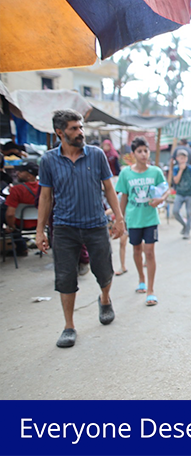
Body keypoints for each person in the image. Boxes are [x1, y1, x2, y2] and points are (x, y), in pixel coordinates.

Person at [36, 109, 125, 348]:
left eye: (81, 127)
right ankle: (69, 326)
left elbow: (108, 188)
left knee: (104, 271)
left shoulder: (96, 155)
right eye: (74, 129)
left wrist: (118, 218)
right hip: (64, 227)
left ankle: (104, 299)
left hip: (96, 224)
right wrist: (40, 230)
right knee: (65, 277)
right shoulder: (48, 160)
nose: (80, 132)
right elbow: (45, 198)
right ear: (59, 132)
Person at [116, 136, 169, 306]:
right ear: (133, 154)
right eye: (140, 151)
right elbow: (123, 197)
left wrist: (160, 200)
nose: (144, 154)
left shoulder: (155, 172)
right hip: (133, 219)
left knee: (150, 252)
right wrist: (120, 219)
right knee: (137, 250)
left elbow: (166, 190)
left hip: (150, 218)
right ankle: (141, 279)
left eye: (146, 150)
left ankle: (151, 290)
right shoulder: (126, 174)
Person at [2, 161, 39, 256]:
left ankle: (21, 248)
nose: (18, 173)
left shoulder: (16, 190)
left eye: (21, 172)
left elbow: (10, 214)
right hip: (40, 222)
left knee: (3, 210)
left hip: (20, 223)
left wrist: (11, 226)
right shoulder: (43, 187)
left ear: (30, 176)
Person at [172, 148, 191, 239]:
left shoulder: (190, 168)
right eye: (180, 158)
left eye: (184, 158)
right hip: (179, 193)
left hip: (189, 194)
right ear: (177, 158)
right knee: (175, 211)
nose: (182, 160)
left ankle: (187, 231)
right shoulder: (175, 168)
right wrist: (181, 170)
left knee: (189, 213)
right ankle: (184, 225)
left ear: (187, 159)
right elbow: (176, 181)